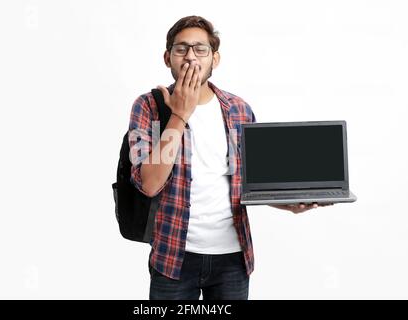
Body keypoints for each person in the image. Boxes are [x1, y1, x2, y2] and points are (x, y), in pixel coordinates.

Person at [128, 15, 330, 300]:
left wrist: (290, 204)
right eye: (181, 49)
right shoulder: (147, 106)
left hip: (232, 259)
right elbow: (149, 185)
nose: (190, 57)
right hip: (172, 257)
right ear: (167, 57)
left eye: (200, 49)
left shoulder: (239, 109)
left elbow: (253, 184)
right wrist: (179, 115)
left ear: (215, 59)